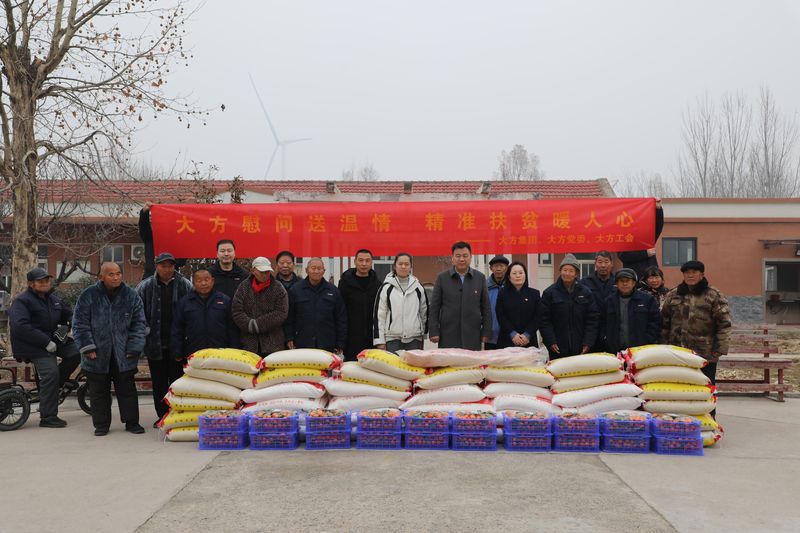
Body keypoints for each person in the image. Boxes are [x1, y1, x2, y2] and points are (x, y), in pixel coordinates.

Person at [72, 262, 147, 436]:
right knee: (98, 391)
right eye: (111, 274)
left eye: (118, 273)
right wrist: (87, 348)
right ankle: (101, 425)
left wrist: (134, 348)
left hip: (124, 353)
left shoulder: (131, 295)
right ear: (101, 277)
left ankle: (132, 422)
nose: (116, 277)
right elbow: (79, 324)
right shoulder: (88, 295)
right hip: (96, 353)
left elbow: (139, 324)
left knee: (127, 390)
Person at [8, 268, 79, 428]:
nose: (45, 283)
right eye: (40, 281)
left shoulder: (53, 300)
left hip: (53, 340)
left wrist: (72, 324)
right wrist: (45, 342)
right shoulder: (22, 301)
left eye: (47, 280)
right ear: (30, 284)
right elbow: (20, 326)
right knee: (51, 373)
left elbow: (68, 314)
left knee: (77, 352)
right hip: (32, 345)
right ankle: (48, 417)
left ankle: (55, 387)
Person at [136, 252, 192, 424]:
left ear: (174, 267)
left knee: (178, 382)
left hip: (178, 343)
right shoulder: (145, 286)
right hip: (155, 343)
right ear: (156, 266)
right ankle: (162, 416)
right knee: (159, 383)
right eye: (163, 266)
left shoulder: (185, 284)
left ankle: (177, 414)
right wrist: (145, 332)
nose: (167, 269)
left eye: (170, 266)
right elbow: (137, 312)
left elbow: (192, 310)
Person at [661, 260, 732, 387]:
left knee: (704, 388)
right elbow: (664, 321)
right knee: (678, 387)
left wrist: (719, 349)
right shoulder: (673, 294)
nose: (690, 275)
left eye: (694, 272)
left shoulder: (713, 295)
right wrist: (663, 345)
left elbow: (724, 324)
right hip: (677, 351)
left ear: (702, 274)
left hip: (705, 353)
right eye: (687, 273)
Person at [428, 241, 492, 350]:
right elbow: (434, 307)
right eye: (458, 256)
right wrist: (433, 331)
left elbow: (486, 307)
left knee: (471, 361)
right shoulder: (442, 278)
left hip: (472, 334)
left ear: (470, 257)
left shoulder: (480, 278)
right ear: (452, 258)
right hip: (448, 334)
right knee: (448, 360)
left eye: (465, 256)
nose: (461, 259)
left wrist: (486, 332)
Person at [540, 254, 599, 359]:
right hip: (557, 348)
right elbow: (544, 320)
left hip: (581, 347)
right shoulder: (549, 293)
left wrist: (588, 342)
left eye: (571, 271)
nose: (567, 273)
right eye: (565, 270)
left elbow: (592, 319)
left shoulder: (586, 293)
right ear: (560, 271)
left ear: (576, 274)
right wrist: (550, 341)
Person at [172, 268, 239, 361]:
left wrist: (234, 350)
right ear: (193, 283)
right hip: (193, 353)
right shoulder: (185, 302)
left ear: (212, 281)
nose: (203, 283)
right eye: (199, 281)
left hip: (220, 353)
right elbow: (177, 329)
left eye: (206, 280)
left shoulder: (225, 300)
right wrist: (177, 351)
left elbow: (232, 328)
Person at [284, 258, 346, 354]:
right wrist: (289, 337)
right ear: (306, 270)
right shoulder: (295, 290)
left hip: (327, 343)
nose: (316, 271)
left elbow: (341, 318)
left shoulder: (333, 291)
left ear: (324, 271)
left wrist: (340, 342)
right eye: (313, 268)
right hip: (302, 342)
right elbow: (289, 317)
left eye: (319, 268)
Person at [231, 257, 288, 357]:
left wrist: (258, 324)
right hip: (249, 343)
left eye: (267, 272)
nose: (265, 274)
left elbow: (281, 312)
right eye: (262, 272)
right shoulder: (243, 287)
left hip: (273, 344)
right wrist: (249, 325)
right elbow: (237, 311)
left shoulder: (278, 288)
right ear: (253, 271)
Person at [373, 253, 429, 352]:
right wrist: (379, 340)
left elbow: (424, 312)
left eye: (407, 264)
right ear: (395, 266)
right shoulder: (386, 288)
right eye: (400, 264)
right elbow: (379, 315)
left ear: (411, 267)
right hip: (392, 339)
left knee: (413, 363)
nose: (403, 266)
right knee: (392, 363)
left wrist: (423, 334)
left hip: (414, 339)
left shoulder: (418, 288)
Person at [603, 268, 661, 354]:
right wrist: (606, 339)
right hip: (614, 350)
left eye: (627, 281)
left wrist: (648, 339)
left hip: (641, 350)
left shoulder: (647, 300)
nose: (625, 284)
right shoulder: (609, 301)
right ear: (616, 283)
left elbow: (655, 323)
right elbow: (602, 323)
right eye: (621, 281)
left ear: (634, 283)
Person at [338, 249, 380, 361]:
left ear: (371, 262)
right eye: (361, 260)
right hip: (351, 338)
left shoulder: (377, 284)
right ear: (355, 261)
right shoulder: (345, 283)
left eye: (367, 260)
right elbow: (340, 312)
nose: (364, 264)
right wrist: (341, 340)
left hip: (372, 339)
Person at [495, 262, 541, 349]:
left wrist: (527, 334)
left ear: (525, 275)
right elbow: (501, 315)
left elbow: (538, 316)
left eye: (520, 273)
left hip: (529, 340)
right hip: (507, 340)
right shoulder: (502, 293)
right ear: (509, 277)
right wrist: (513, 334)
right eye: (514, 273)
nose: (518, 276)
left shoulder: (534, 293)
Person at [618, 200, 664, 281]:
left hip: (651, 278)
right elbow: (623, 256)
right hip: (634, 279)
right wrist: (645, 253)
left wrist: (658, 209)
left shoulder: (646, 235)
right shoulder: (622, 237)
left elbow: (658, 226)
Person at [138, 204, 186, 280]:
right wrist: (144, 212)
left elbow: (181, 262)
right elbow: (144, 227)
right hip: (151, 278)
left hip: (171, 280)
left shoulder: (176, 242)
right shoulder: (150, 238)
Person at [580, 250, 615, 352]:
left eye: (606, 262)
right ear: (595, 264)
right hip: (591, 331)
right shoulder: (585, 282)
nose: (603, 265)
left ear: (612, 264)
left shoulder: (618, 282)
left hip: (612, 330)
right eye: (600, 262)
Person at [485, 255, 510, 350]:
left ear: (507, 268)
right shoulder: (484, 287)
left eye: (501, 266)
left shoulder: (512, 286)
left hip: (510, 335)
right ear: (491, 268)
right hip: (490, 335)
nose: (498, 269)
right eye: (496, 266)